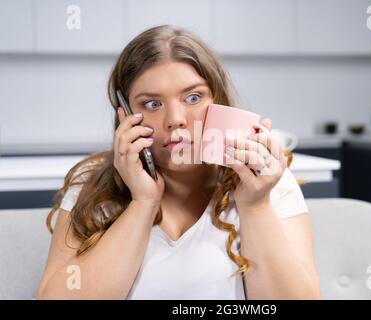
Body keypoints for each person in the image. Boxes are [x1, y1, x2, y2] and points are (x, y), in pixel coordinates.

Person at [36, 25, 320, 300]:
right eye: (152, 104)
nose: (175, 119)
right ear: (125, 115)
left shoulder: (267, 183)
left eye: (193, 97)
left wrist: (255, 206)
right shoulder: (93, 186)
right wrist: (143, 202)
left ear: (218, 100)